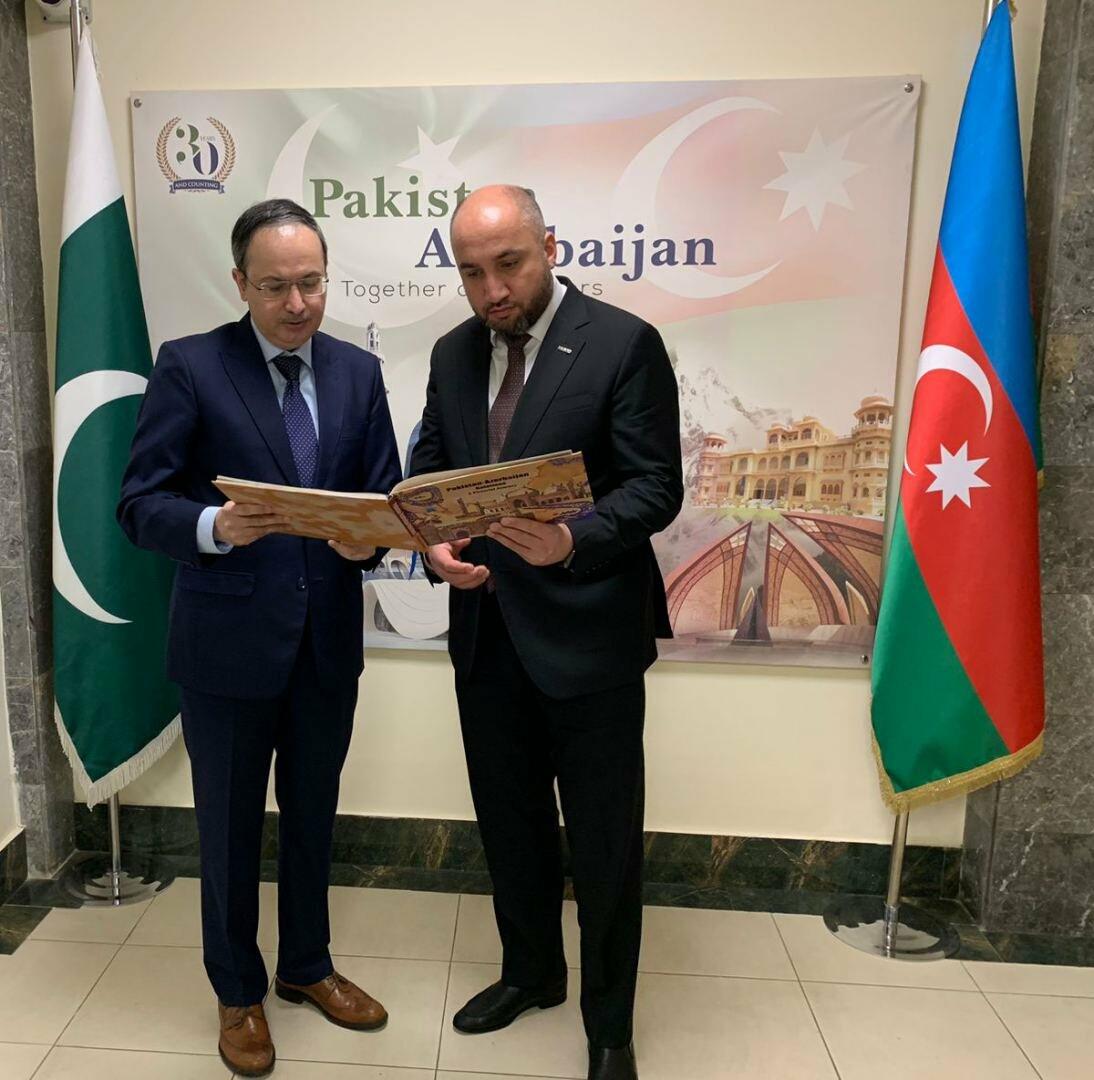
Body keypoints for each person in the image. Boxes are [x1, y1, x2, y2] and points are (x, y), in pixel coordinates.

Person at [118, 199, 402, 1077]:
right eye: (276, 286)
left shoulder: (358, 372)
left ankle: (307, 967)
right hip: (226, 648)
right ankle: (237, 991)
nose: (298, 304)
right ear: (240, 282)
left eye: (311, 283)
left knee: (313, 817)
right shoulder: (191, 366)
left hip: (326, 646)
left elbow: (386, 497)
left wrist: (368, 542)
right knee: (231, 829)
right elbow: (139, 503)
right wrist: (212, 526)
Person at [409, 185, 682, 1080]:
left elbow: (655, 486)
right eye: (471, 273)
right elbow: (430, 467)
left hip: (590, 638)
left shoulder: (623, 343)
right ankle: (531, 973)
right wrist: (433, 542)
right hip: (487, 631)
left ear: (550, 247)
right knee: (510, 824)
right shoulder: (453, 352)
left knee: (604, 843)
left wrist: (573, 540)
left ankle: (610, 1026)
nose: (492, 290)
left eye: (509, 264)